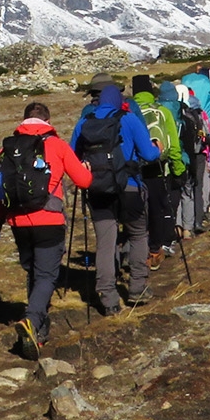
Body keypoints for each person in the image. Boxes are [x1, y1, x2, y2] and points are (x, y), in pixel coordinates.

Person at [0, 102, 91, 360]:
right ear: (47, 120)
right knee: (46, 275)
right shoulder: (57, 145)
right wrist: (86, 170)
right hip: (49, 220)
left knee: (32, 271)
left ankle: (39, 334)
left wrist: (3, 215)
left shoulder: (7, 148)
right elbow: (84, 181)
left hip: (18, 222)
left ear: (24, 120)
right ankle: (31, 320)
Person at [72, 74, 161, 313]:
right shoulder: (130, 119)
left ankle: (108, 299)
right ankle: (137, 289)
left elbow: (73, 157)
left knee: (105, 243)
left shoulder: (84, 122)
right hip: (130, 186)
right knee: (138, 235)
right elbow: (150, 155)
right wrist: (157, 149)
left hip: (98, 189)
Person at [129, 75, 183, 270]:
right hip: (159, 170)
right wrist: (178, 169)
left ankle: (136, 249)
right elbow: (173, 145)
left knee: (137, 213)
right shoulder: (162, 112)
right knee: (157, 210)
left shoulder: (129, 112)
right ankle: (154, 251)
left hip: (134, 170)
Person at [176, 66, 210, 234]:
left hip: (179, 154)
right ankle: (197, 221)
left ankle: (180, 225)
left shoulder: (173, 112)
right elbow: (207, 136)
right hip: (198, 153)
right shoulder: (199, 111)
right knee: (197, 185)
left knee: (181, 189)